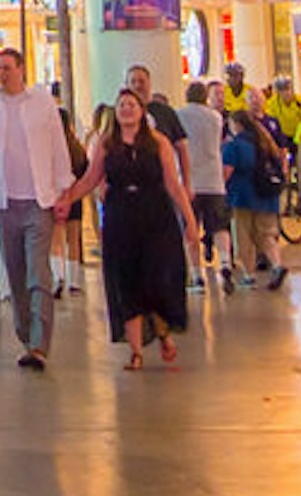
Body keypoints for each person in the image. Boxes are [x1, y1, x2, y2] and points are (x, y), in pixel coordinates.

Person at [53, 86, 197, 368]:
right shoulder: (106, 144)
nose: (127, 109)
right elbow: (90, 179)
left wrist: (190, 221)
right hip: (121, 217)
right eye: (121, 105)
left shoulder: (158, 143)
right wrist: (67, 198)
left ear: (142, 111)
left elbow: (173, 185)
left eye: (132, 104)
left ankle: (163, 333)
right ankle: (136, 352)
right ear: (115, 113)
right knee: (125, 281)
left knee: (157, 279)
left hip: (156, 217)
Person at [0, 46, 83, 369]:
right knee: (15, 273)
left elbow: (58, 149)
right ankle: (24, 333)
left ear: (21, 69)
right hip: (3, 202)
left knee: (38, 272)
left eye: (7, 67)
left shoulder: (42, 103)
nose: (2, 73)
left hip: (38, 201)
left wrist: (65, 191)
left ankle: (40, 344)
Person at [173, 84, 235, 291]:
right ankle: (225, 262)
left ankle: (196, 275)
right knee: (219, 226)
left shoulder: (179, 115)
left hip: (189, 181)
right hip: (214, 181)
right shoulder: (215, 117)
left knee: (191, 228)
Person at [223, 104, 290, 290]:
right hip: (267, 197)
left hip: (242, 197)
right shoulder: (266, 143)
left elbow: (226, 172)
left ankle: (248, 275)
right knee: (267, 235)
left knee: (243, 237)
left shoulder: (234, 146)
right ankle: (277, 265)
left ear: (237, 124)